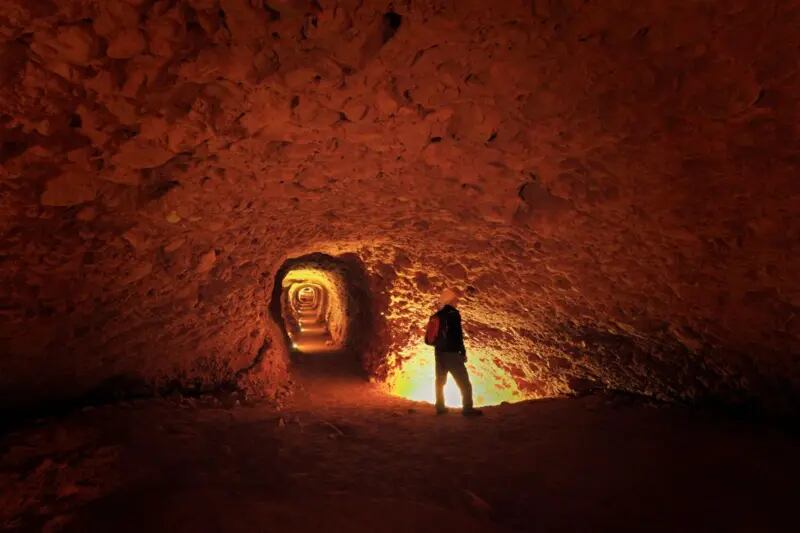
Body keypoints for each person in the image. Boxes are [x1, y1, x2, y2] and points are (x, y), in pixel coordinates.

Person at [432, 288, 483, 416]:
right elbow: (457, 335)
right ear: (451, 300)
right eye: (456, 299)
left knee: (440, 381)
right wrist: (462, 352)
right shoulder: (453, 314)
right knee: (464, 383)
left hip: (439, 353)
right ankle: (467, 408)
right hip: (451, 353)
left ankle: (440, 407)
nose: (457, 301)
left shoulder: (437, 314)